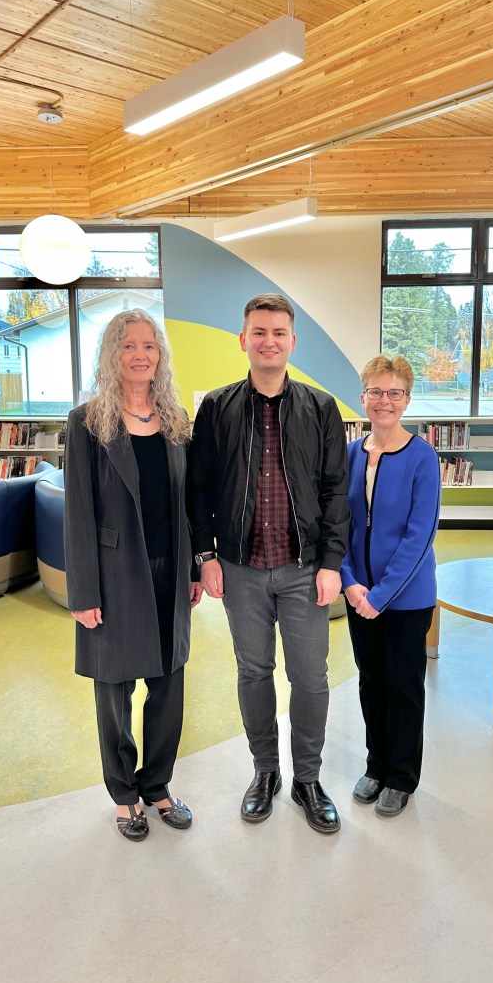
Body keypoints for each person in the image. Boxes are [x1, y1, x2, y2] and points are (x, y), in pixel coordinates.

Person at [189, 293, 349, 834]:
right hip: (241, 568)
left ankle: (307, 779)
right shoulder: (216, 407)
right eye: (259, 331)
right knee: (254, 671)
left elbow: (335, 492)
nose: (269, 341)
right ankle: (265, 772)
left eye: (279, 332)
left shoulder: (321, 408)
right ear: (243, 340)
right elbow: (200, 488)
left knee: (310, 679)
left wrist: (331, 562)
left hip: (305, 569)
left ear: (292, 342)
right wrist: (206, 554)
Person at [64, 309, 202, 842]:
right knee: (115, 692)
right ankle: (124, 796)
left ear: (160, 356)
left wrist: (192, 568)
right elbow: (77, 513)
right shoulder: (86, 422)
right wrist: (83, 592)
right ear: (111, 355)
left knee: (168, 687)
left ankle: (158, 785)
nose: (140, 354)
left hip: (170, 572)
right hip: (115, 574)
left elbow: (186, 505)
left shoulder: (175, 420)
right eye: (128, 346)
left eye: (149, 345)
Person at [341, 354, 440, 817]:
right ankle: (376, 765)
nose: (384, 401)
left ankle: (401, 776)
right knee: (370, 682)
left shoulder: (423, 457)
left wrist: (379, 596)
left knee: (402, 686)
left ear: (407, 399)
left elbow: (419, 537)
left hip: (405, 600)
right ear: (363, 397)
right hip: (360, 597)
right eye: (376, 391)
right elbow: (336, 525)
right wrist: (351, 584)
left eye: (394, 392)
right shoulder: (348, 454)